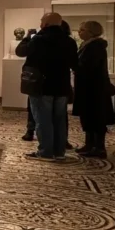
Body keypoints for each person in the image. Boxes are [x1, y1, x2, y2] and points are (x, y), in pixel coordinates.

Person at [16, 12, 78, 161]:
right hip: (62, 85)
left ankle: (45, 152)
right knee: (59, 120)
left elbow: (21, 52)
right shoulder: (69, 41)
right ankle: (59, 151)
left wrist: (27, 37)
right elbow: (74, 64)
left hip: (42, 86)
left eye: (42, 20)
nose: (40, 23)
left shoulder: (39, 39)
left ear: (46, 24)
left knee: (43, 119)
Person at [72, 20, 115, 158]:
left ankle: (98, 147)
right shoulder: (88, 45)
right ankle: (90, 144)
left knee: (96, 117)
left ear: (91, 32)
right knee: (88, 116)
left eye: (83, 30)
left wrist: (76, 66)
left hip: (94, 89)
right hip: (88, 87)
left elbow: (88, 67)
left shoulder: (95, 47)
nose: (79, 32)